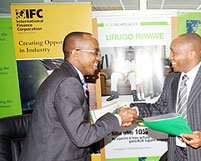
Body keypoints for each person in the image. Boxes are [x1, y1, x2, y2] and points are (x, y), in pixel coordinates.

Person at [19, 32, 138, 161]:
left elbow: (66, 119)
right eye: (94, 52)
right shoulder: (68, 82)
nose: (99, 58)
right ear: (76, 53)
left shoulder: (61, 76)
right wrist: (118, 118)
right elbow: (82, 137)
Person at [130, 33, 201, 161]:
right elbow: (161, 108)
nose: (170, 57)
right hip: (176, 154)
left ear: (191, 54)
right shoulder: (171, 79)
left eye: (174, 52)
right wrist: (135, 111)